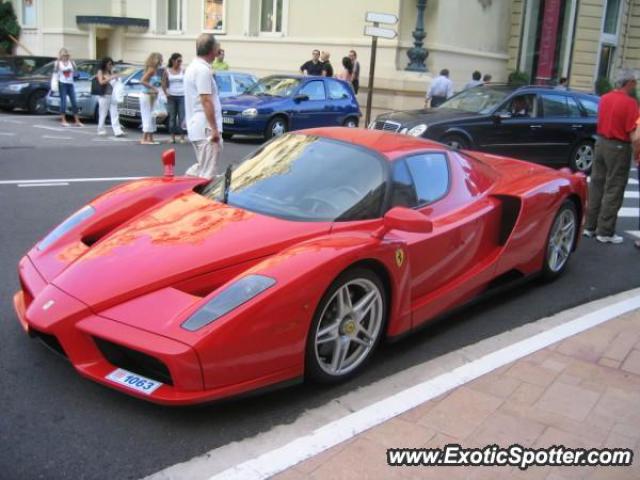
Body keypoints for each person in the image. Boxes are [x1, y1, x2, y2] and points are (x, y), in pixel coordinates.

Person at [584, 69, 639, 244]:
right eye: (634, 82)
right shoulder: (631, 104)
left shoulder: (604, 98)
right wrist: (637, 153)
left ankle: (589, 226)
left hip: (600, 142)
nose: (635, 85)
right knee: (614, 188)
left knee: (597, 184)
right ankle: (605, 231)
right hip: (618, 146)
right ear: (629, 83)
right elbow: (634, 133)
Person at [184, 33, 223, 179]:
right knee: (207, 174)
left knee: (201, 167)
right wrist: (214, 129)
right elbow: (206, 99)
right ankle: (188, 196)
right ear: (212, 50)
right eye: (217, 47)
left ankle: (183, 188)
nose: (218, 51)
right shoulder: (202, 70)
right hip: (205, 127)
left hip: (196, 125)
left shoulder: (192, 67)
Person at [94, 57, 124, 137]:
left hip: (112, 94)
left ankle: (117, 131)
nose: (111, 66)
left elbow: (115, 83)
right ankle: (100, 129)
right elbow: (101, 82)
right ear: (105, 64)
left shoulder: (111, 72)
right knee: (103, 113)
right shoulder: (100, 71)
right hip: (104, 95)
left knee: (115, 113)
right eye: (109, 64)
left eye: (111, 64)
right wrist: (111, 78)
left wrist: (116, 77)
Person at [162, 52, 186, 144]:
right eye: (178, 61)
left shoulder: (183, 70)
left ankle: (182, 137)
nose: (180, 63)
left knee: (182, 116)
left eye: (181, 61)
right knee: (172, 117)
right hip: (171, 96)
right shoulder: (167, 71)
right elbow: (163, 83)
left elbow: (187, 82)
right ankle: (172, 137)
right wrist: (166, 93)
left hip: (182, 96)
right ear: (173, 61)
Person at [55, 48, 83, 127]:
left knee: (74, 102)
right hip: (62, 83)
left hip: (70, 83)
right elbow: (56, 70)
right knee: (63, 101)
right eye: (63, 55)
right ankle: (63, 120)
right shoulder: (59, 63)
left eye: (66, 55)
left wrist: (73, 65)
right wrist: (58, 60)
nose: (65, 57)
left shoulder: (71, 62)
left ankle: (77, 121)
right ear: (61, 56)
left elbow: (75, 70)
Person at [140, 52, 163, 145]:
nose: (162, 61)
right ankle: (144, 138)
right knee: (148, 116)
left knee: (152, 116)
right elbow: (142, 81)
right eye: (161, 59)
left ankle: (150, 138)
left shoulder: (153, 69)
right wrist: (153, 88)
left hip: (151, 95)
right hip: (147, 94)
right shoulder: (152, 69)